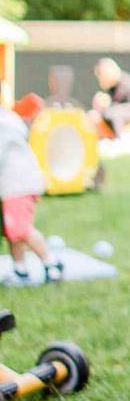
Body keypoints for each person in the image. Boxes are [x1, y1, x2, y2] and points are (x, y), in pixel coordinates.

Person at [0, 107, 62, 284]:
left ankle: (52, 263)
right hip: (16, 183)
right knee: (11, 229)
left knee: (19, 228)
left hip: (18, 184)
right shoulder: (8, 118)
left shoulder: (3, 124)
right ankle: (20, 269)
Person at [91, 58, 130, 137]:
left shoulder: (124, 82)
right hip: (127, 111)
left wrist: (103, 106)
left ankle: (120, 138)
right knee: (108, 113)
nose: (100, 80)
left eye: (101, 76)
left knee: (112, 113)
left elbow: (115, 106)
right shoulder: (113, 87)